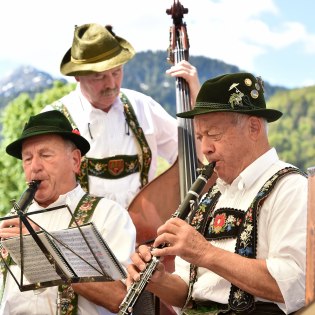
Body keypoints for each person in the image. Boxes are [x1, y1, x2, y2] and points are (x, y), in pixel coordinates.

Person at [126, 72, 307, 315]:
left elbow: (295, 284)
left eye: (214, 135)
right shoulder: (210, 198)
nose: (205, 149)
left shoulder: (291, 188)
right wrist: (158, 281)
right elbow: (190, 292)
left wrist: (204, 252)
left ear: (253, 127)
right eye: (200, 137)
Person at [43, 23, 201, 209]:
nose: (111, 84)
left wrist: (194, 94)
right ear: (77, 75)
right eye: (99, 77)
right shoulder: (54, 120)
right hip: (82, 235)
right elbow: (43, 190)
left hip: (144, 235)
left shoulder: (143, 106)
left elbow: (192, 154)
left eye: (116, 72)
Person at [0, 110, 136, 315]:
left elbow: (121, 299)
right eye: (27, 159)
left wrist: (46, 249)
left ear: (75, 160)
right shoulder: (12, 220)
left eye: (45, 155)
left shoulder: (107, 214)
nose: (34, 167)